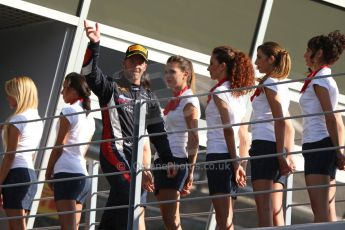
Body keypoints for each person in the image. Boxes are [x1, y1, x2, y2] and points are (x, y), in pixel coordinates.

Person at [83, 21, 177, 230]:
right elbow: (89, 74)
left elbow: (158, 133)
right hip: (112, 151)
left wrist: (169, 159)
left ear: (145, 67)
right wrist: (94, 44)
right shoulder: (111, 87)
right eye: (132, 60)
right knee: (130, 190)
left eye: (140, 61)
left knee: (119, 200)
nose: (136, 65)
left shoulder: (149, 97)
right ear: (124, 64)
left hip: (133, 158)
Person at [205, 46, 254, 230]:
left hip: (219, 156)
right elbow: (243, 134)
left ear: (222, 66)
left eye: (212, 64)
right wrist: (241, 163)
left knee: (224, 220)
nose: (208, 68)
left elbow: (228, 130)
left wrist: (236, 163)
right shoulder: (239, 95)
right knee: (226, 219)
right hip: (232, 158)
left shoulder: (220, 93)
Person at [299, 30, 345, 222]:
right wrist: (338, 151)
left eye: (308, 50)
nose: (304, 54)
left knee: (320, 214)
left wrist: (339, 152)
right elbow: (336, 120)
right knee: (327, 213)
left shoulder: (320, 79)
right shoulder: (323, 78)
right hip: (320, 145)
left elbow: (331, 117)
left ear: (318, 54)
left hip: (318, 145)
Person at [250, 41, 295, 227]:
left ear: (271, 59)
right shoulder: (282, 84)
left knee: (264, 205)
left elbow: (281, 120)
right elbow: (289, 124)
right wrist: (287, 153)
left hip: (265, 146)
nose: (255, 62)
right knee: (276, 209)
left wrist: (280, 155)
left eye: (259, 57)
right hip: (276, 146)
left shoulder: (270, 83)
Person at [153, 55, 200, 229]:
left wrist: (190, 170)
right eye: (166, 72)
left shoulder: (188, 101)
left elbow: (194, 138)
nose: (167, 76)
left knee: (172, 219)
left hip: (176, 161)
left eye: (172, 72)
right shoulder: (175, 100)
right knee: (167, 219)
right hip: (163, 160)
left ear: (185, 74)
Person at [45, 72, 95, 229]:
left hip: (66, 174)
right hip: (83, 176)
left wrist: (48, 172)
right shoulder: (90, 117)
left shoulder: (68, 110)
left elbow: (59, 146)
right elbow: (84, 149)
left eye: (65, 88)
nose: (61, 92)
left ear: (74, 91)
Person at [0, 76, 43, 230]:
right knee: (16, 225)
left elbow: (10, 155)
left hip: (16, 174)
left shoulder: (18, 119)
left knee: (17, 226)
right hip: (30, 174)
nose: (7, 97)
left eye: (9, 93)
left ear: (19, 94)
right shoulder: (37, 119)